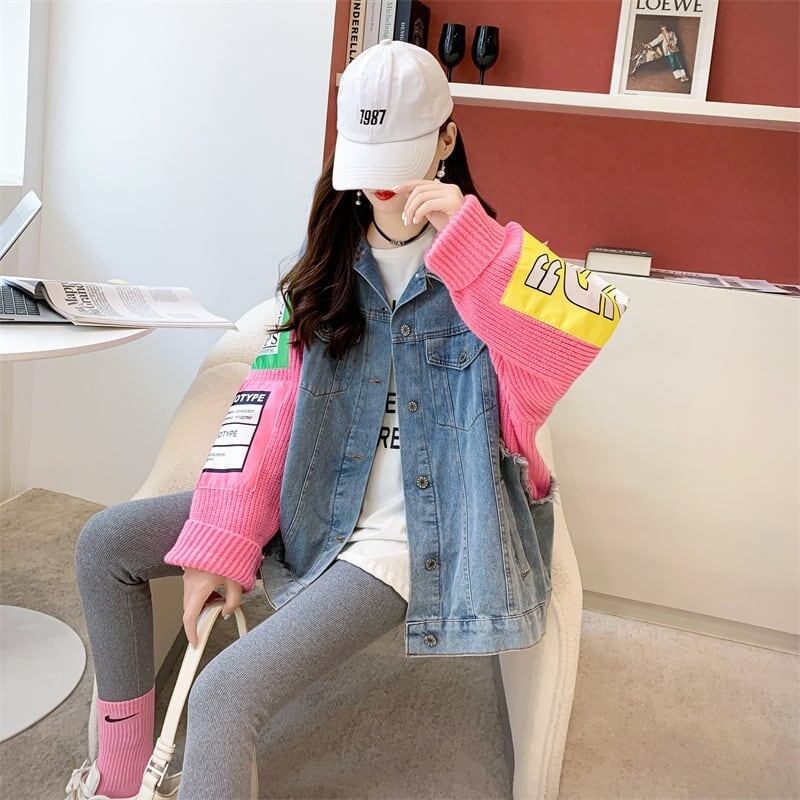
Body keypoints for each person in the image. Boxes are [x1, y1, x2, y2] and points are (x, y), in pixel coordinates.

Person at [65, 38, 630, 800]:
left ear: (447, 139)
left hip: (407, 538)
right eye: (368, 158)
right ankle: (118, 780)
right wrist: (224, 535)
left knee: (225, 692)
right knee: (104, 544)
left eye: (401, 153)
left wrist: (474, 248)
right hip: (313, 498)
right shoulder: (330, 261)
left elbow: (576, 338)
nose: (382, 183)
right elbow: (267, 402)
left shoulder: (489, 263)